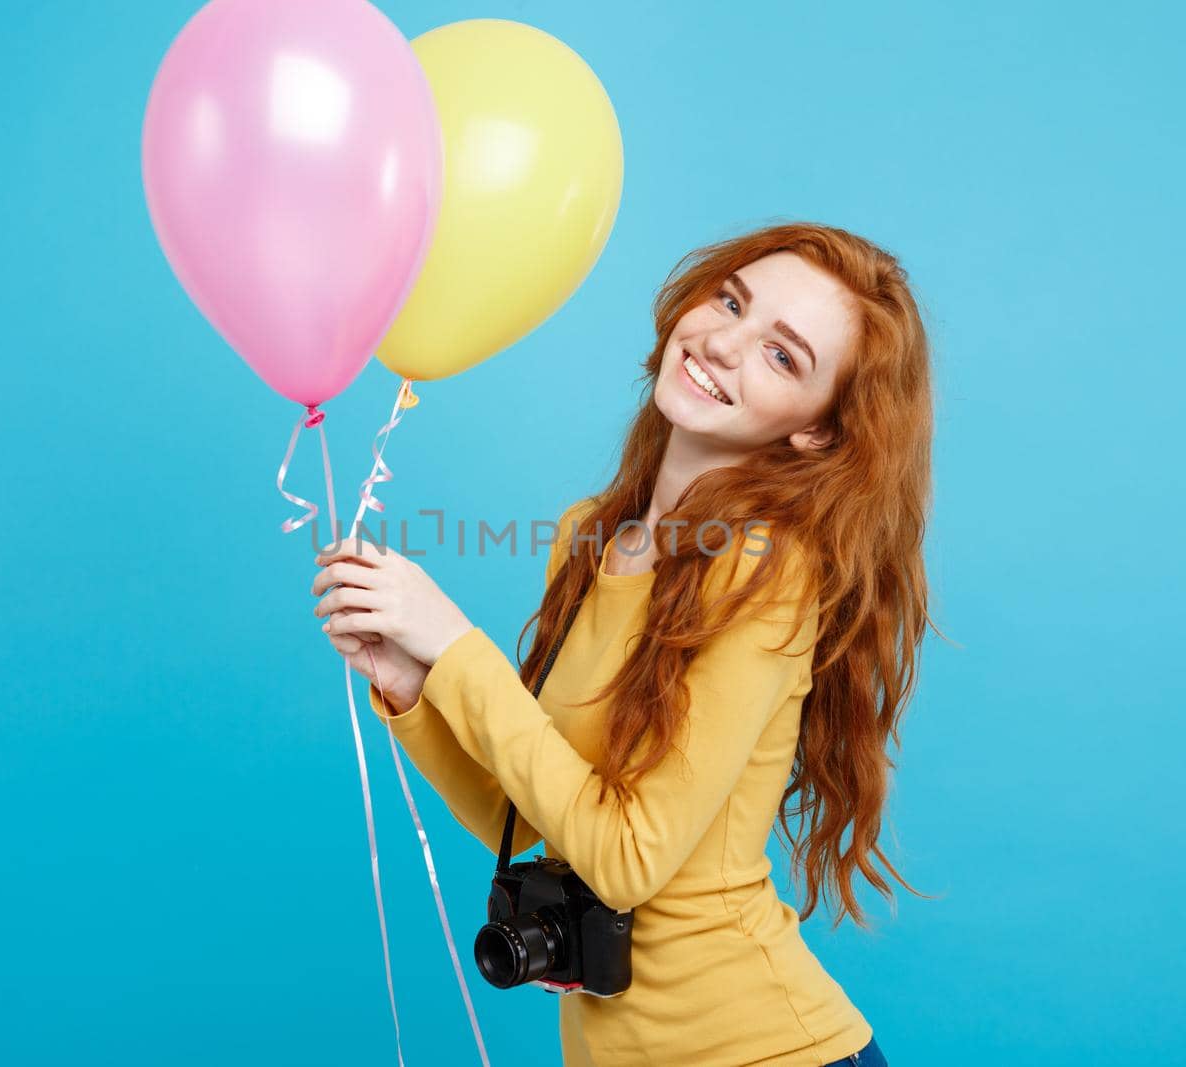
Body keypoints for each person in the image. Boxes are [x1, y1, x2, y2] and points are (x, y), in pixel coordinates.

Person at [311, 221, 934, 1066]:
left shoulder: (765, 575)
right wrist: (416, 686)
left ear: (818, 431)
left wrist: (458, 645)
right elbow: (527, 815)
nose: (721, 343)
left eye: (782, 356)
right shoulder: (593, 537)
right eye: (731, 300)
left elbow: (626, 859)